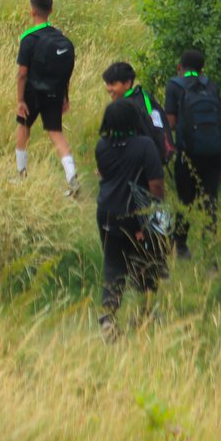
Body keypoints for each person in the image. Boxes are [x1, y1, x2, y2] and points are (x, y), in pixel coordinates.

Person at [95, 98, 166, 341]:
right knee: (147, 263)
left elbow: (105, 176)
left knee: (114, 264)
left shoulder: (102, 146)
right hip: (136, 215)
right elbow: (156, 186)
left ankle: (108, 318)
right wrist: (150, 220)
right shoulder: (145, 145)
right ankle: (145, 315)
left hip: (106, 214)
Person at [164, 49, 221, 261]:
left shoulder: (174, 85)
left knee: (185, 200)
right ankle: (210, 253)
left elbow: (171, 122)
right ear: (202, 69)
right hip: (214, 154)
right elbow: (220, 123)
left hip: (187, 155)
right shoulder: (212, 86)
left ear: (179, 68)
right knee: (210, 202)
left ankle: (181, 247)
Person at [14, 0, 78, 195]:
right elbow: (65, 73)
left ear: (32, 11)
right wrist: (65, 97)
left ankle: (21, 174)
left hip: (32, 93)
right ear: (51, 11)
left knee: (23, 127)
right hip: (55, 93)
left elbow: (22, 75)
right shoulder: (61, 38)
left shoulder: (28, 38)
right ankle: (72, 179)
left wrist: (20, 100)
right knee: (56, 133)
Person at [102, 62, 173, 167]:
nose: (108, 89)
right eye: (107, 84)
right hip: (154, 160)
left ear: (127, 83)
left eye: (113, 84)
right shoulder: (143, 96)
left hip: (136, 166)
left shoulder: (123, 107)